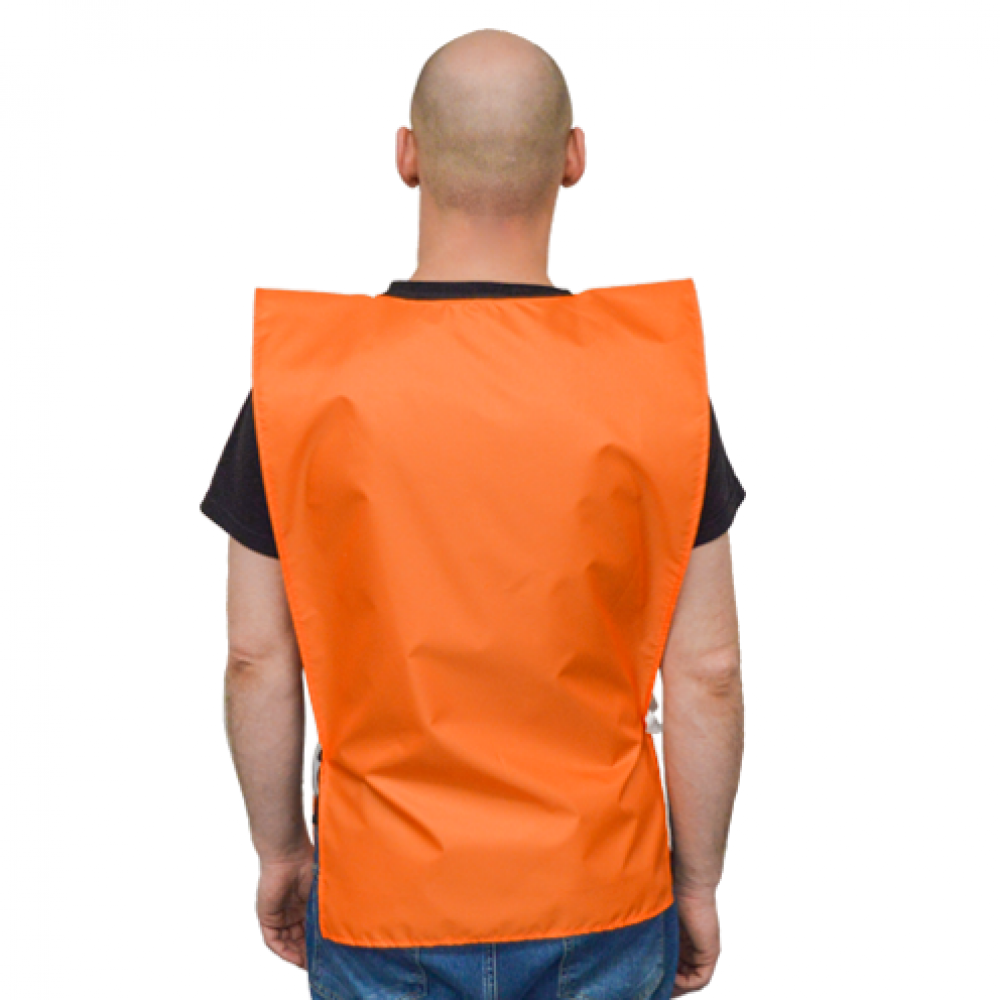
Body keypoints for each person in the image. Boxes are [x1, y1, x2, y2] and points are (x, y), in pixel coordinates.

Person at [201, 28, 745, 999]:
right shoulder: (655, 385)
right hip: (603, 895)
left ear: (407, 155)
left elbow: (256, 657)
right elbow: (707, 673)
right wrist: (695, 881)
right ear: (572, 158)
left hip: (382, 898)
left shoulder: (303, 387)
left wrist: (280, 851)